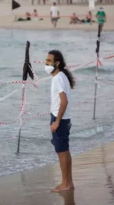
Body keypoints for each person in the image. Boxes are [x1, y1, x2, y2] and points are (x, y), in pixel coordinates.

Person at [45, 50, 75, 192]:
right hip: (64, 118)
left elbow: (64, 102)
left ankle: (65, 184)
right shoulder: (60, 76)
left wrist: (56, 121)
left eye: (49, 61)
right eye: (46, 60)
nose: (46, 63)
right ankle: (68, 182)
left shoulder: (58, 78)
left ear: (57, 63)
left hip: (60, 119)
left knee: (62, 152)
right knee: (65, 151)